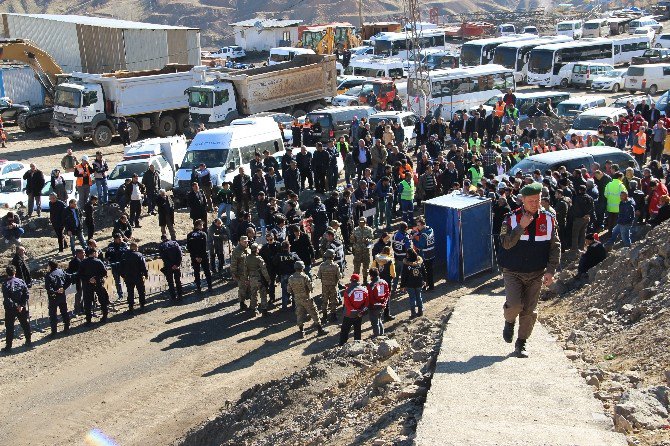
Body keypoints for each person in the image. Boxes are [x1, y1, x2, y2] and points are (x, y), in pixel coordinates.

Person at [498, 182, 561, 358]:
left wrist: (551, 270)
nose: (535, 204)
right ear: (523, 200)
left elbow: (555, 246)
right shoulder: (510, 218)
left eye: (538, 200)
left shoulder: (549, 219)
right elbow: (506, 243)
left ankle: (521, 343)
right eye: (531, 200)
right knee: (515, 305)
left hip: (536, 272)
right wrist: (521, 226)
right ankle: (509, 320)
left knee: (530, 311)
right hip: (513, 271)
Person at [287, 261, 327, 338]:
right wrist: (313, 282)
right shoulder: (305, 277)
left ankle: (301, 331)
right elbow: (311, 288)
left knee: (299, 314)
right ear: (302, 267)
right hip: (307, 298)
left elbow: (288, 290)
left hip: (297, 299)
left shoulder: (291, 278)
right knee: (314, 313)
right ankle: (320, 330)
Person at [2, 265, 31, 352]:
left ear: (7, 273)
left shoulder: (5, 284)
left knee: (9, 327)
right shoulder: (21, 281)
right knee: (25, 324)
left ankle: (8, 346)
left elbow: (7, 299)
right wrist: (21, 305)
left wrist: (16, 305)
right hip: (21, 308)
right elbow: (26, 294)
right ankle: (28, 341)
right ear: (15, 272)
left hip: (10, 309)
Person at [79, 247, 109, 325]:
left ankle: (88, 320)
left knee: (87, 302)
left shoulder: (83, 262)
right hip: (98, 283)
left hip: (87, 284)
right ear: (94, 253)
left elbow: (80, 274)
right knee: (102, 299)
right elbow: (104, 272)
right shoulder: (98, 261)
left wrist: (89, 279)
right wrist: (96, 278)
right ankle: (105, 316)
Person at [339, 273, 369, 345]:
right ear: (359, 281)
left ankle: (342, 345)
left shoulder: (348, 291)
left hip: (348, 314)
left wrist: (354, 310)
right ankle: (357, 345)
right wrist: (360, 312)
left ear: (351, 280)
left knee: (345, 331)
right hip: (359, 315)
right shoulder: (365, 290)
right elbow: (367, 304)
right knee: (357, 330)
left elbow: (347, 305)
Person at [44, 259, 70, 337]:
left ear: (50, 266)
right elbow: (69, 280)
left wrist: (55, 291)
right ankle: (67, 327)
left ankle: (54, 332)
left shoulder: (49, 275)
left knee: (53, 314)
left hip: (53, 297)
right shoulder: (61, 271)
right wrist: (63, 288)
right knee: (64, 312)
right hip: (62, 295)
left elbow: (48, 287)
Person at [187, 219, 212, 294]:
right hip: (203, 256)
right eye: (202, 225)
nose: (203, 226)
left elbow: (189, 247)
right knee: (207, 271)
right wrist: (200, 256)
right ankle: (210, 286)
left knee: (196, 272)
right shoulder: (203, 234)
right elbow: (204, 246)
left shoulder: (189, 235)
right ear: (198, 225)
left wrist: (196, 257)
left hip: (194, 257)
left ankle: (198, 287)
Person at [245, 243, 271, 316]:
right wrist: (268, 280)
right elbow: (264, 270)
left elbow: (245, 269)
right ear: (256, 250)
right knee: (263, 294)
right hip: (260, 279)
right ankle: (264, 310)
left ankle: (254, 310)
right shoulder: (259, 259)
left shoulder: (247, 258)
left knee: (253, 294)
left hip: (252, 279)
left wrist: (246, 279)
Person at [121, 242, 148, 313]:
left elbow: (121, 267)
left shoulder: (124, 255)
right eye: (137, 247)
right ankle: (142, 306)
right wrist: (145, 274)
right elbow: (143, 266)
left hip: (128, 277)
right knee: (141, 291)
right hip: (138, 276)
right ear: (135, 247)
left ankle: (131, 307)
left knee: (130, 292)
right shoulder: (139, 255)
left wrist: (123, 275)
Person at [317, 248, 342, 324]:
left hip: (324, 286)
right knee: (333, 301)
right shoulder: (335, 266)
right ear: (333, 257)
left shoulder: (322, 265)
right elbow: (339, 277)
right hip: (333, 286)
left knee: (325, 301)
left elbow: (319, 276)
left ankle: (324, 316)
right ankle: (333, 316)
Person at [400, 248, 426, 318]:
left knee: (412, 298)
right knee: (419, 297)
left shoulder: (406, 264)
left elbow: (403, 275)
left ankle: (413, 314)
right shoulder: (420, 262)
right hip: (419, 283)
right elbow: (424, 272)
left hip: (410, 284)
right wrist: (425, 280)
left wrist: (402, 285)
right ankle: (420, 312)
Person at [158, 235, 183, 302]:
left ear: (162, 239)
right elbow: (180, 254)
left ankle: (173, 297)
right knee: (178, 281)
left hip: (168, 267)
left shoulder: (161, 246)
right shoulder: (175, 243)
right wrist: (177, 264)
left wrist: (171, 265)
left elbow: (164, 258)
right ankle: (180, 295)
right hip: (176, 266)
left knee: (170, 282)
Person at [414, 217, 435, 291]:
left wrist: (413, 239)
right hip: (432, 252)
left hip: (426, 255)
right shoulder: (430, 229)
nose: (417, 227)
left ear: (423, 225)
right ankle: (430, 285)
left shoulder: (423, 235)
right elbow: (424, 233)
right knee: (430, 270)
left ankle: (429, 286)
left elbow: (420, 245)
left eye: (419, 225)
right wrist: (418, 233)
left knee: (425, 271)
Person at [570, 185, 594, 252]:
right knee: (583, 233)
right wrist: (587, 215)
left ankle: (574, 248)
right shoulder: (590, 198)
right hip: (586, 218)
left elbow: (576, 209)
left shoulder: (577, 198)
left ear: (579, 190)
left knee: (575, 234)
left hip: (579, 218)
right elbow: (592, 208)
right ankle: (582, 247)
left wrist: (581, 215)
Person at [367, 267, 390, 337]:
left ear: (371, 276)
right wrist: (384, 303)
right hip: (382, 305)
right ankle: (381, 334)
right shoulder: (384, 282)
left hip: (374, 306)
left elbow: (370, 297)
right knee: (379, 320)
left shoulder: (371, 285)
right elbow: (387, 293)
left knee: (375, 322)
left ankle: (377, 337)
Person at [106, 233, 128, 301]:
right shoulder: (110, 245)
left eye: (121, 238)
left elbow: (127, 254)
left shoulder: (124, 244)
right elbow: (107, 255)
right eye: (119, 238)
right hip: (115, 267)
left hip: (123, 266)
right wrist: (108, 261)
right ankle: (120, 295)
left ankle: (130, 293)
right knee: (117, 282)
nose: (120, 239)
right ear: (115, 239)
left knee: (127, 280)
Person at [351, 217, 374, 284]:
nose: (361, 224)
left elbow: (372, 240)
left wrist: (367, 240)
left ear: (365, 222)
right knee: (356, 267)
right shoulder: (355, 230)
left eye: (363, 222)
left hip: (365, 252)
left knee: (366, 267)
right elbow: (352, 240)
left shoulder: (369, 230)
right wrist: (352, 239)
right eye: (360, 222)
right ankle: (355, 281)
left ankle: (365, 280)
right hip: (357, 252)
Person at [231, 235, 251, 309]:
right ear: (240, 242)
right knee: (242, 289)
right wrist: (234, 273)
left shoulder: (248, 248)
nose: (246, 243)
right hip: (241, 273)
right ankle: (242, 303)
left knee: (251, 288)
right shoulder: (236, 251)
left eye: (247, 241)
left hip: (249, 272)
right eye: (244, 242)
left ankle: (252, 302)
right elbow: (233, 263)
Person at [67, 249, 85, 314]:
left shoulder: (83, 260)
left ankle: (81, 308)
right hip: (78, 281)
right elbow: (70, 272)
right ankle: (77, 309)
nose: (84, 254)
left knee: (83, 294)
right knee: (79, 295)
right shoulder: (73, 262)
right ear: (78, 254)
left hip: (83, 280)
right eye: (83, 253)